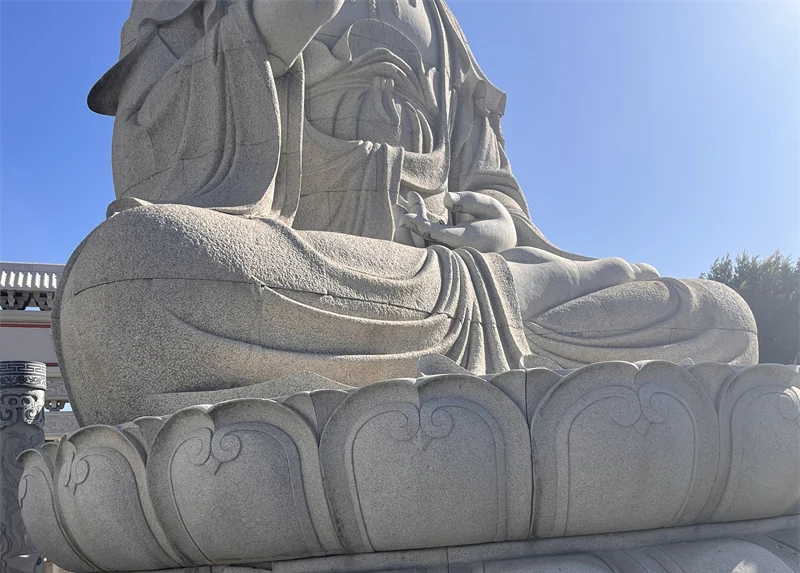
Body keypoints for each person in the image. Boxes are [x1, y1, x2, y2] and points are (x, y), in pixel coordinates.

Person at [55, 0, 757, 425]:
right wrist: (262, 31)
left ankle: (496, 329)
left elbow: (490, 186)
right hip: (309, 284)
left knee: (720, 320)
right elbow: (149, 145)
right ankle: (515, 358)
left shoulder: (438, 22)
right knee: (126, 281)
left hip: (449, 280)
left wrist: (499, 223)